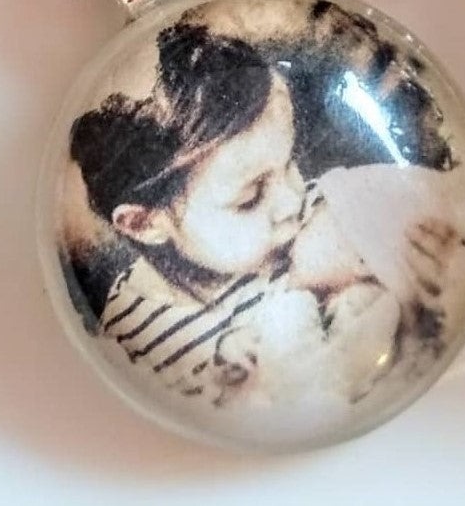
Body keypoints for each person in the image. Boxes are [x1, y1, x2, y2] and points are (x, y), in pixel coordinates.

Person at [70, 24, 404, 407]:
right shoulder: (133, 335)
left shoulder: (325, 216)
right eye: (250, 197)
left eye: (290, 163)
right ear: (145, 223)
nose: (292, 200)